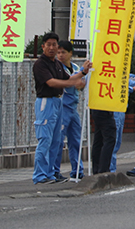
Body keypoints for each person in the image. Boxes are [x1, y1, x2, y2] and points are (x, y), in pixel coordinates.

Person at [33, 32, 90, 184]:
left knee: (56, 140)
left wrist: (83, 72)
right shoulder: (40, 64)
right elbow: (51, 82)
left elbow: (69, 79)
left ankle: (51, 173)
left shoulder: (57, 64)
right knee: (45, 139)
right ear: (43, 46)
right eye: (49, 45)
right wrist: (71, 84)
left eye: (55, 45)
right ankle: (40, 175)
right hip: (46, 102)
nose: (52, 48)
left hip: (59, 102)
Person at [53, 41, 86, 180]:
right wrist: (76, 81)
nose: (60, 55)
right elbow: (71, 82)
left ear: (70, 53)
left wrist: (79, 82)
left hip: (73, 107)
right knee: (59, 140)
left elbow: (81, 84)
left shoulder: (75, 67)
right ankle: (55, 170)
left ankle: (77, 169)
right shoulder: (56, 68)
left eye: (63, 52)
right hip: (62, 107)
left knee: (76, 140)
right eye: (58, 52)